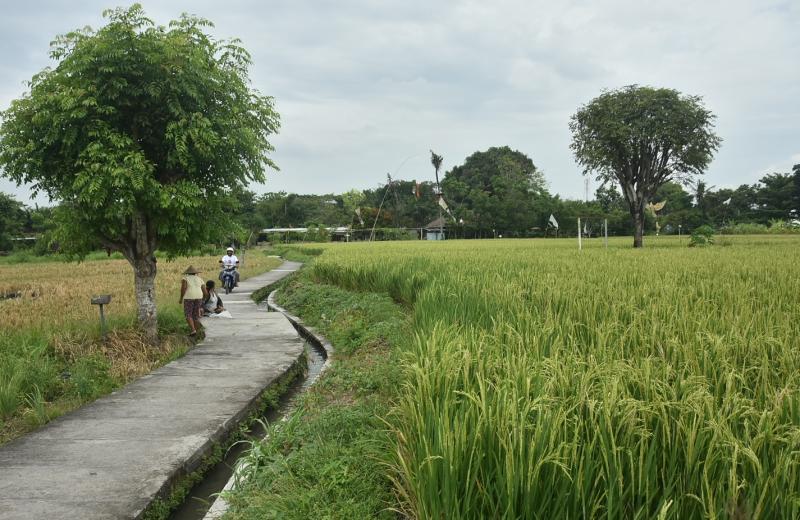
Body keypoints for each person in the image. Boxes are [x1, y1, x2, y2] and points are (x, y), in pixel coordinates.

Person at [179, 265, 208, 336]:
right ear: (195, 273)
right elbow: (205, 291)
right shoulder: (200, 279)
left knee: (188, 314)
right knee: (195, 315)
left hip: (189, 297)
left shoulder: (185, 278)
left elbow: (183, 289)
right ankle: (197, 331)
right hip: (199, 297)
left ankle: (193, 330)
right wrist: (203, 299)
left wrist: (181, 298)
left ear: (187, 273)